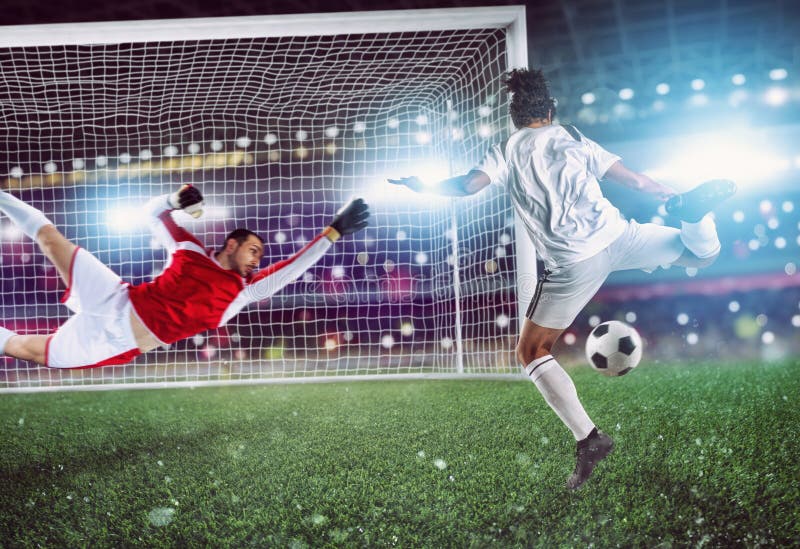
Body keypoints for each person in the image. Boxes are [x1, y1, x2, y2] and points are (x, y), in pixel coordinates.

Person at [389, 68, 735, 490]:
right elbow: (635, 179)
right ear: (550, 111)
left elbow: (465, 186)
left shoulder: (505, 150)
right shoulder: (571, 135)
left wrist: (422, 185)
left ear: (514, 119)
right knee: (702, 254)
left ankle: (589, 438)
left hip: (573, 265)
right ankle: (694, 214)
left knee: (531, 351)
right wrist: (668, 195)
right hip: (622, 235)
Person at [0, 184, 369, 369]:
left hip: (111, 343)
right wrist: (172, 201)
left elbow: (293, 267)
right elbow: (151, 215)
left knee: (20, 348)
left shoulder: (245, 290)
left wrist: (333, 232)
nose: (258, 260)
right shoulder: (189, 249)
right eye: (253, 250)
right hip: (116, 298)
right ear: (231, 244)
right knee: (50, 239)